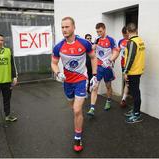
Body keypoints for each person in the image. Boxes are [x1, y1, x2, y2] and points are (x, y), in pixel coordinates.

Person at [51, 17, 97, 152]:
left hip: (81, 80)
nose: (64, 30)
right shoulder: (58, 46)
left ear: (73, 27)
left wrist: (94, 76)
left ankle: (78, 137)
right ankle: (79, 116)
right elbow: (53, 63)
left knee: (77, 110)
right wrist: (58, 73)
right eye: (62, 27)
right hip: (67, 83)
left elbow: (93, 58)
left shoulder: (84, 43)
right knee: (74, 110)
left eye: (67, 27)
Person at [87, 22, 119, 116]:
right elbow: (92, 50)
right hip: (98, 67)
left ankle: (108, 101)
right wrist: (93, 46)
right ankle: (92, 108)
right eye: (97, 32)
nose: (99, 33)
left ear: (104, 29)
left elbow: (116, 52)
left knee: (108, 86)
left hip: (107, 67)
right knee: (94, 87)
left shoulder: (111, 40)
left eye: (100, 31)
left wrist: (109, 60)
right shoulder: (96, 39)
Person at [123, 23, 145, 123]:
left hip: (133, 72)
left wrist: (125, 71)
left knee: (135, 93)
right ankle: (135, 110)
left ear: (127, 31)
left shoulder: (132, 42)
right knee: (136, 92)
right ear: (136, 30)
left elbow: (130, 58)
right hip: (138, 70)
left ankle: (137, 114)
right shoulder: (140, 40)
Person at [118, 26, 129, 108]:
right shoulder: (120, 41)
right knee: (127, 81)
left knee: (128, 82)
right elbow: (117, 51)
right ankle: (124, 99)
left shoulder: (132, 41)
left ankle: (124, 98)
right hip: (123, 64)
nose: (125, 36)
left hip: (131, 65)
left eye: (126, 35)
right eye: (123, 35)